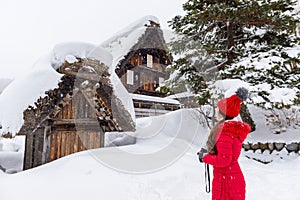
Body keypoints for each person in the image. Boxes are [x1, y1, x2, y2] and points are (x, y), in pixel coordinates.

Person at [200, 87, 251, 200]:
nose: (216, 112)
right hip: (228, 178)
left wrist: (205, 158)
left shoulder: (225, 133)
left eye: (218, 109)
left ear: (224, 113)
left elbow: (224, 160)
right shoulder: (229, 131)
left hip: (227, 182)